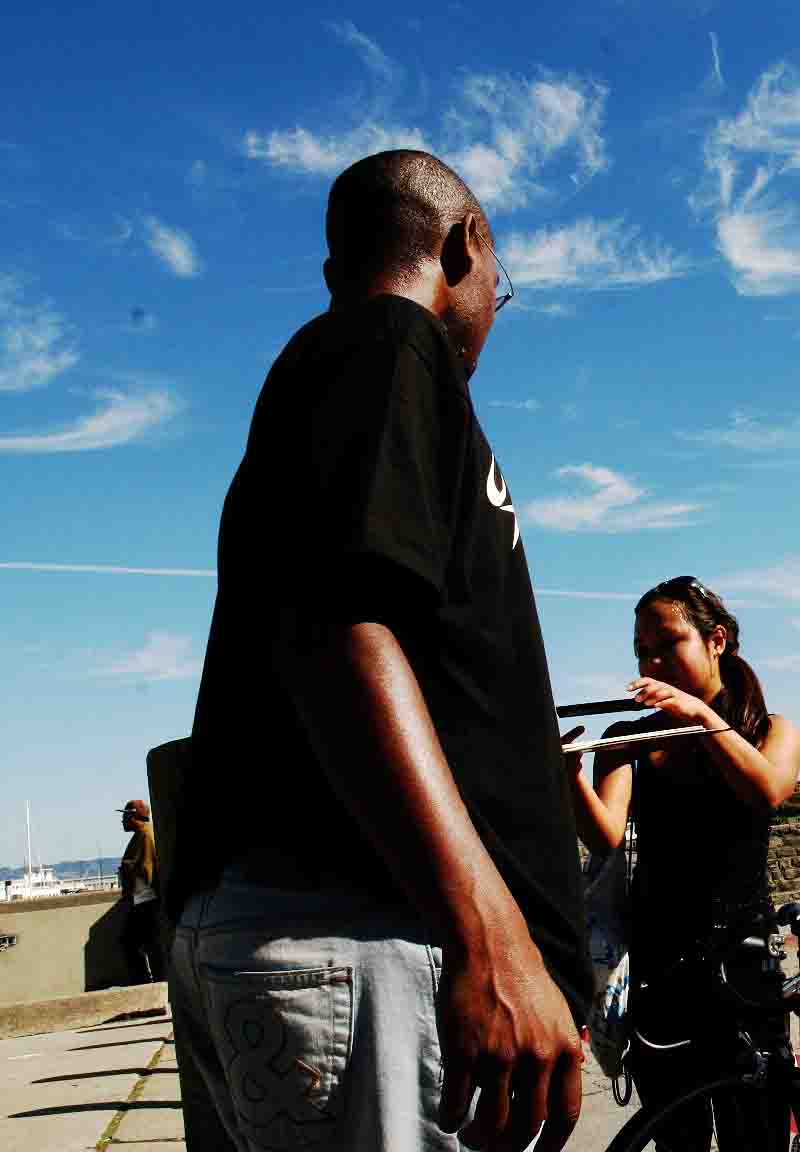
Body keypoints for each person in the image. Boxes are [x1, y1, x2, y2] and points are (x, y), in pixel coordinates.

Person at [171, 150, 588, 1152]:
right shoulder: (385, 343)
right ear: (464, 247)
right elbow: (339, 627)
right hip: (369, 942)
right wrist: (492, 934)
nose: (497, 306)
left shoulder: (346, 372)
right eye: (503, 287)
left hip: (349, 943)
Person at [569, 577, 800, 1150]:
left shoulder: (771, 731)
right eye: (642, 650)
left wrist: (700, 716)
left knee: (758, 1134)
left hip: (743, 959)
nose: (652, 660)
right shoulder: (627, 736)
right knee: (677, 1135)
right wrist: (567, 776)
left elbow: (766, 789)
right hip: (659, 965)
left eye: (666, 643)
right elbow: (605, 835)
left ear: (715, 640)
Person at [116, 800, 163, 984]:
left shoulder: (145, 836)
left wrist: (141, 906)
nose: (122, 820)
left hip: (144, 903)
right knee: (144, 944)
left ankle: (145, 985)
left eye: (125, 815)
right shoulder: (142, 835)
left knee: (133, 943)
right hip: (143, 902)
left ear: (134, 816)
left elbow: (146, 873)